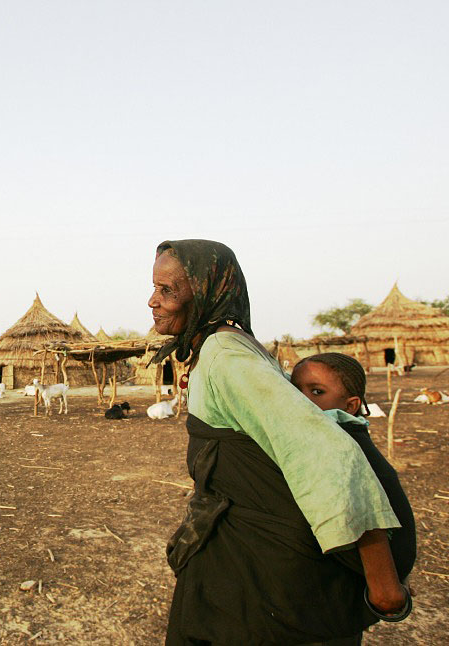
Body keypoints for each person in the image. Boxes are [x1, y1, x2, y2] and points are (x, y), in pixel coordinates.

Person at [149, 240, 410, 645]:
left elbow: (322, 449)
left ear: (207, 290)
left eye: (168, 290)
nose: (153, 300)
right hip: (244, 554)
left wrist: (383, 584)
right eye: (155, 288)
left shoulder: (226, 355)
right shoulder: (220, 347)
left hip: (269, 574)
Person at [290, 353, 416, 583]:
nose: (302, 399)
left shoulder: (335, 440)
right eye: (295, 390)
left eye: (317, 392)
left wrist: (386, 583)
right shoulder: (353, 431)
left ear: (350, 406)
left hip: (385, 561)